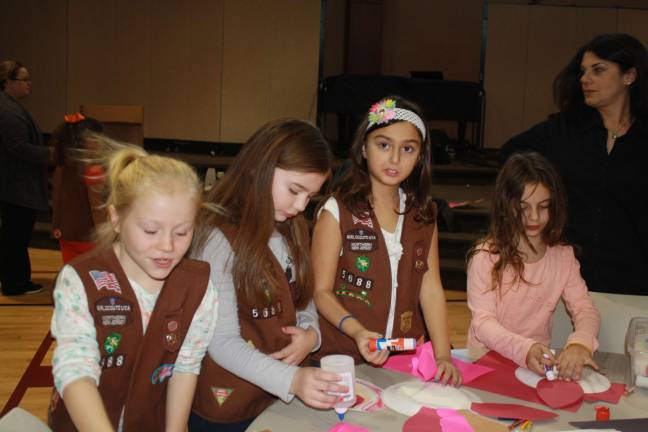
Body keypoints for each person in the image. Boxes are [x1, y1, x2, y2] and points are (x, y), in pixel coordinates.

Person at [48, 143, 218, 431]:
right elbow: (75, 369)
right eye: (150, 231)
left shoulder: (198, 288)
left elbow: (186, 365)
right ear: (116, 218)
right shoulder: (81, 280)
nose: (167, 246)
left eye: (182, 232)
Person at [190, 118, 345, 431]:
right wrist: (293, 379)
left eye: (309, 196)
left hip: (275, 400)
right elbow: (221, 343)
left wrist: (311, 336)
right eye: (294, 190)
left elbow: (304, 299)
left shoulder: (292, 228)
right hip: (227, 408)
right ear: (261, 168)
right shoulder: (218, 238)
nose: (300, 206)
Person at [311, 96, 461, 386]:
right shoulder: (336, 212)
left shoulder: (425, 215)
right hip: (343, 357)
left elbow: (430, 287)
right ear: (364, 148)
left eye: (407, 149)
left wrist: (443, 355)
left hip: (404, 359)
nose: (394, 159)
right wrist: (356, 331)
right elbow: (321, 292)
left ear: (420, 157)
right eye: (383, 145)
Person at [500, 33, 648, 295]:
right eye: (583, 71)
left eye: (598, 70)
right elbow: (510, 157)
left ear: (630, 76)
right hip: (563, 280)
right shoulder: (562, 129)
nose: (584, 79)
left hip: (633, 282)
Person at [467, 152, 601, 381]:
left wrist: (580, 344)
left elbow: (585, 310)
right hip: (485, 363)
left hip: (535, 369)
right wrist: (526, 349)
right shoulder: (485, 257)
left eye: (543, 206)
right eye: (523, 207)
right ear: (505, 205)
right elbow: (483, 324)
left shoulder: (563, 257)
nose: (534, 217)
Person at [0, 60, 49, 296]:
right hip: (16, 186)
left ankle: (15, 279)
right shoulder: (8, 110)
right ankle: (15, 283)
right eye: (24, 79)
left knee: (14, 236)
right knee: (16, 236)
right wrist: (51, 154)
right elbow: (18, 147)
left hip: (14, 184)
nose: (29, 84)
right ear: (8, 82)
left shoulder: (10, 106)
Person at [50, 113, 105, 263]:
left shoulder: (61, 167)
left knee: (72, 272)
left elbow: (56, 200)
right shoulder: (94, 170)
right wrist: (105, 233)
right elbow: (97, 207)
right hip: (88, 234)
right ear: (89, 141)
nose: (102, 144)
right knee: (94, 275)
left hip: (65, 231)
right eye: (99, 139)